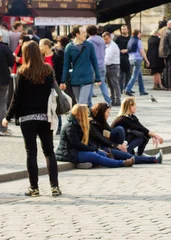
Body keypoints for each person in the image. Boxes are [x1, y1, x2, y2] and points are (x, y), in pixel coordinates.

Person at [2, 41, 60, 196]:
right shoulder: (48, 70)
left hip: (27, 119)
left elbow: (16, 98)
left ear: (26, 54)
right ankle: (54, 187)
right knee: (49, 152)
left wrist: (7, 117)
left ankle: (34, 188)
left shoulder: (23, 72)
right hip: (45, 117)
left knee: (31, 153)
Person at [56, 104, 134, 168]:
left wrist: (96, 149)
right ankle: (122, 163)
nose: (88, 115)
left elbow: (87, 141)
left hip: (76, 151)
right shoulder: (70, 126)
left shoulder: (78, 123)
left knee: (102, 154)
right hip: (69, 153)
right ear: (81, 114)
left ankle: (85, 163)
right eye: (86, 114)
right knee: (95, 156)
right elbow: (77, 145)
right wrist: (93, 150)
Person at [89, 102, 162, 164]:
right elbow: (99, 138)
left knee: (121, 131)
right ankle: (154, 159)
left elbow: (110, 130)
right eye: (107, 112)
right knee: (127, 156)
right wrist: (116, 145)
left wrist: (123, 143)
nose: (109, 114)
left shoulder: (101, 120)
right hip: (100, 147)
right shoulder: (92, 122)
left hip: (109, 145)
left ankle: (122, 153)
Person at [60, 25, 101, 106]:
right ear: (77, 34)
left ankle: (85, 116)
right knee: (80, 104)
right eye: (83, 32)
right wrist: (63, 80)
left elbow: (94, 61)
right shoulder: (69, 47)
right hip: (75, 78)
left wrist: (98, 77)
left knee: (82, 103)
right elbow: (66, 65)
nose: (86, 34)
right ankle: (86, 117)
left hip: (87, 78)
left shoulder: (89, 45)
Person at [87, 25, 111, 105]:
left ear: (88, 33)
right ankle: (108, 101)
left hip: (92, 65)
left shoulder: (88, 41)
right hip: (102, 64)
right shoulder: (101, 40)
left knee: (90, 84)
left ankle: (89, 103)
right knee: (103, 83)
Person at [124, 29, 150, 97]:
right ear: (138, 33)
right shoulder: (138, 41)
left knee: (139, 75)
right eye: (140, 33)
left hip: (131, 59)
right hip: (137, 59)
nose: (140, 35)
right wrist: (146, 60)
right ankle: (128, 89)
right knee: (134, 76)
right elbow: (142, 51)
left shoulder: (130, 40)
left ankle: (142, 90)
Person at [0, 32, 14, 136]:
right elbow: (11, 62)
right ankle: (2, 128)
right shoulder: (5, 48)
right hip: (3, 79)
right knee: (2, 103)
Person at [159, 20, 171, 91]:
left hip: (165, 53)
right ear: (170, 25)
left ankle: (167, 85)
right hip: (170, 53)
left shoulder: (165, 32)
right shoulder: (170, 33)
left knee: (167, 70)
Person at [103, 32, 122, 106]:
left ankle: (117, 99)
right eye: (104, 39)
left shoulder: (113, 46)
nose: (105, 41)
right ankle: (112, 99)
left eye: (107, 39)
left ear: (110, 38)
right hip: (108, 66)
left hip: (113, 66)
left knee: (115, 84)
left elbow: (107, 58)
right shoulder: (107, 45)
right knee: (110, 84)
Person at [114, 25, 131, 94]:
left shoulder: (130, 38)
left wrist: (127, 50)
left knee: (128, 75)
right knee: (121, 75)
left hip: (129, 57)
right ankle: (120, 89)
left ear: (127, 30)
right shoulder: (118, 38)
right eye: (122, 29)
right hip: (121, 58)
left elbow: (134, 47)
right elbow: (114, 47)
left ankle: (127, 88)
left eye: (125, 29)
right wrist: (119, 51)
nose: (123, 31)